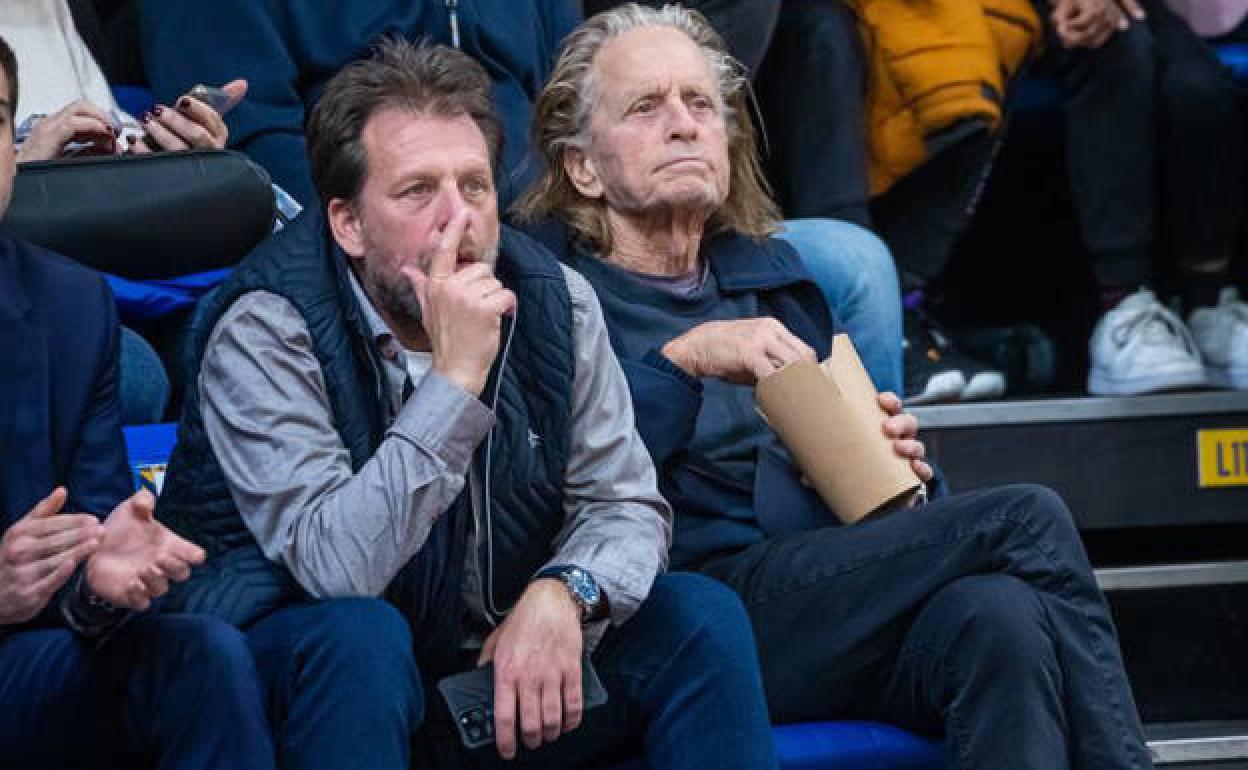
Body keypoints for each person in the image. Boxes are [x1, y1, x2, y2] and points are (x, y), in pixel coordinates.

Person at [518, 5, 1154, 768]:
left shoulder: (776, 283)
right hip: (683, 615)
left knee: (1001, 618)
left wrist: (903, 482)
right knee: (1027, 518)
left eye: (700, 104)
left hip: (818, 598)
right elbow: (547, 495)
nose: (683, 125)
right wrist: (682, 361)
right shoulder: (556, 298)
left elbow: (872, 513)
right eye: (646, 107)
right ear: (583, 164)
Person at [153, 38, 777, 770]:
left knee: (699, 616)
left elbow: (627, 505)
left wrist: (564, 593)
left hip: (490, 670)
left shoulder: (555, 302)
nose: (460, 222)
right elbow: (335, 569)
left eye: (475, 187)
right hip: (313, 684)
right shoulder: (267, 324)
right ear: (347, 223)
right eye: (418, 192)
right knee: (360, 636)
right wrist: (453, 383)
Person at [0, 33, 277, 770]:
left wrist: (103, 581)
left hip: (23, 669)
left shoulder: (69, 302)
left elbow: (94, 531)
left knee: (201, 656)